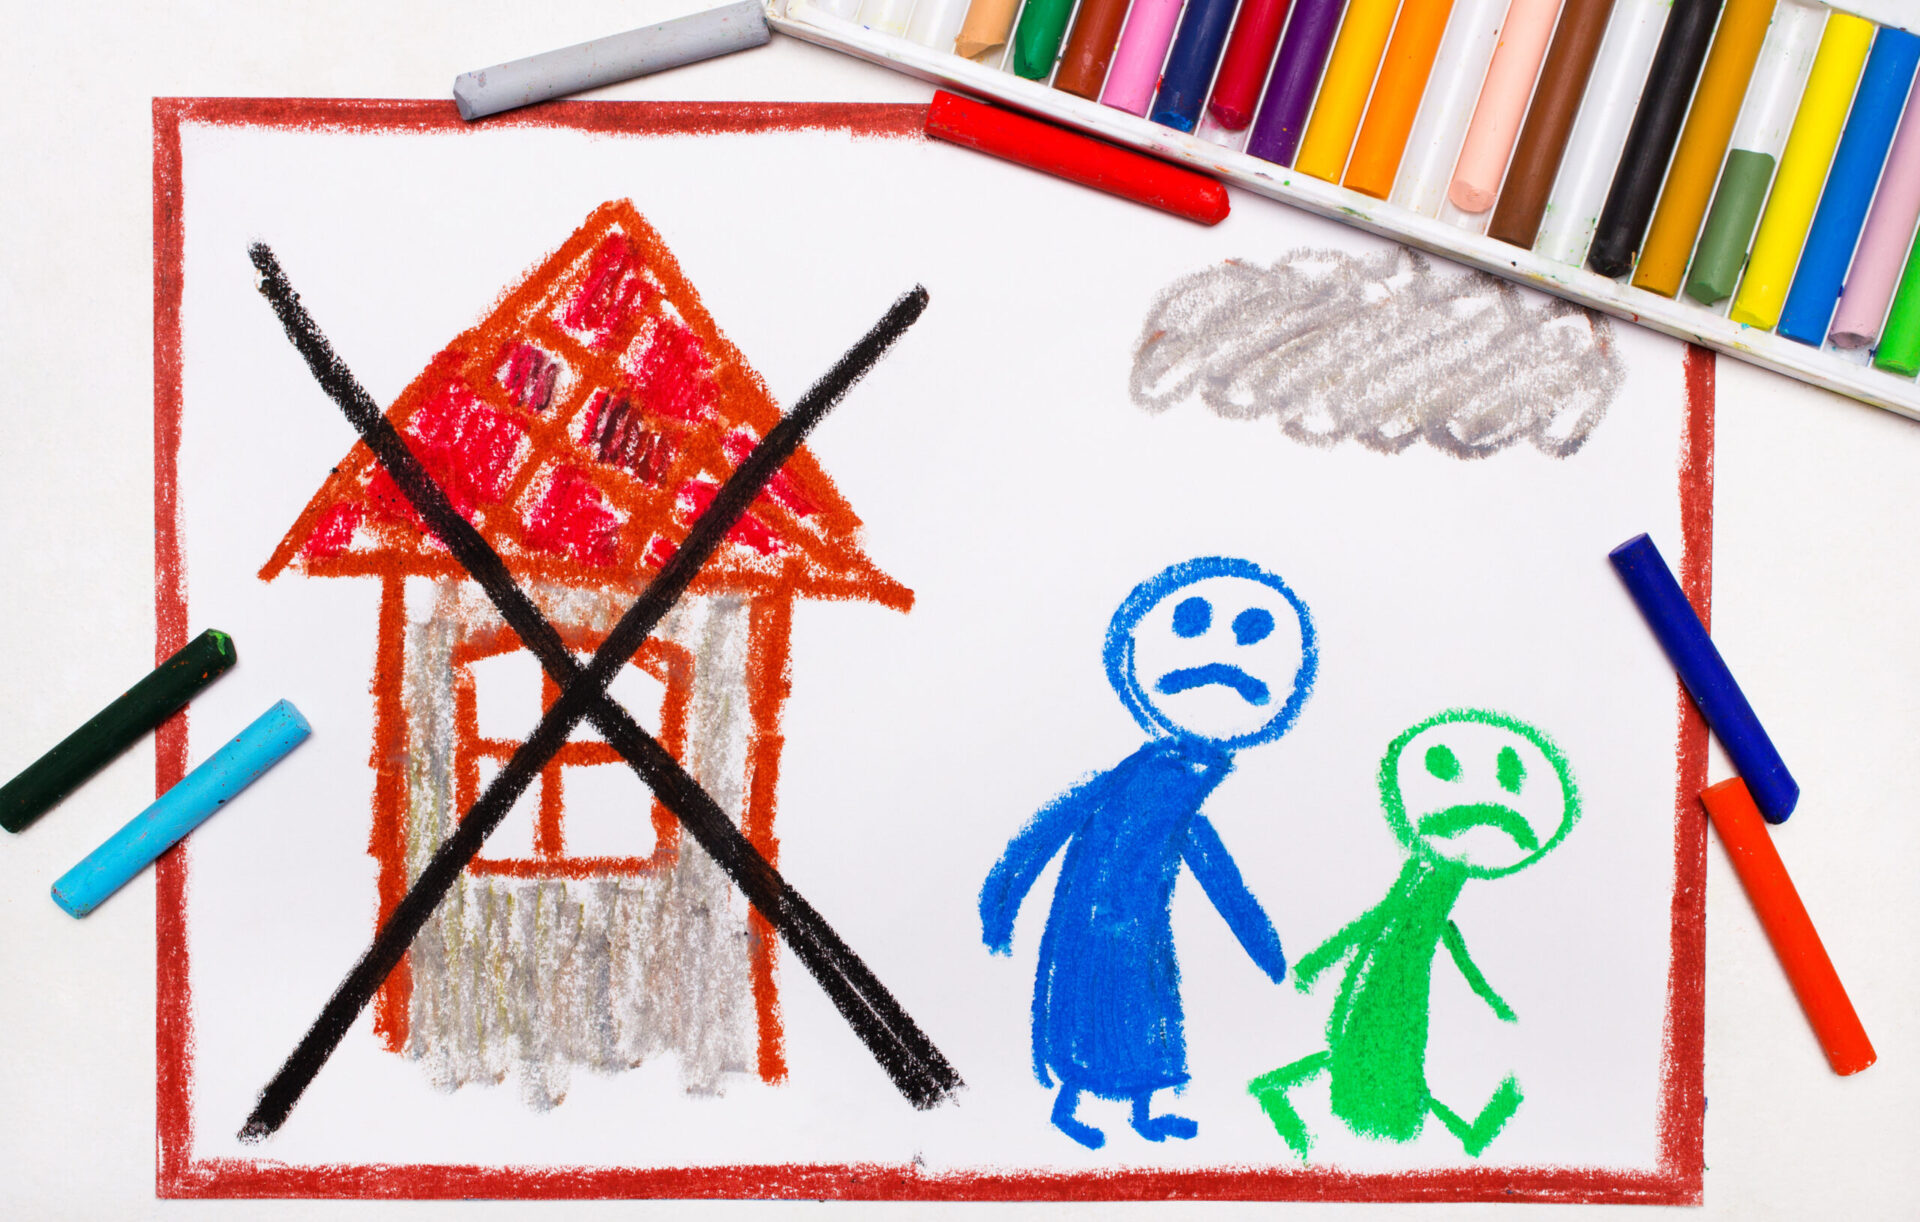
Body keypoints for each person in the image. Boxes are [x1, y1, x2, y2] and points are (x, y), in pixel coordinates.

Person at [980, 556, 1315, 1148]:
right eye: (1190, 622)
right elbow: (1047, 830)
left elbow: (1215, 868)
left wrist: (1264, 948)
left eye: (1253, 632)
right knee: (1089, 1006)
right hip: (1088, 920)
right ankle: (1067, 1108)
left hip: (1143, 930)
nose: (1222, 653)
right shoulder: (1124, 779)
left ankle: (1142, 1113)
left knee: (1149, 1008)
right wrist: (1001, 905)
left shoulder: (1188, 793)